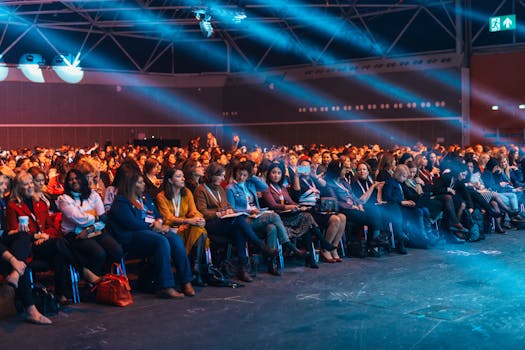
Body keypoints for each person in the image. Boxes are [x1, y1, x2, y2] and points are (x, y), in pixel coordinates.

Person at [108, 167, 195, 298]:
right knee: (161, 240)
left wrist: (159, 221)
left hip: (151, 232)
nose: (144, 184)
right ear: (131, 185)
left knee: (175, 239)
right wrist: (155, 227)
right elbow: (132, 223)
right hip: (131, 238)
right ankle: (166, 286)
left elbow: (157, 214)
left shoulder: (146, 198)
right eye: (140, 182)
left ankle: (186, 281)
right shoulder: (121, 201)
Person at [194, 162, 278, 282]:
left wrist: (228, 210)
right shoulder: (201, 190)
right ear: (212, 175)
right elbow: (202, 211)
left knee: (239, 230)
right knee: (239, 220)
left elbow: (228, 205)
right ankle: (260, 246)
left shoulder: (220, 189)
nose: (224, 178)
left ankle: (243, 268)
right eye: (221, 176)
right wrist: (219, 213)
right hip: (210, 223)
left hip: (223, 221)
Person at [6, 171, 78, 303]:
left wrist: (46, 236)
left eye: (30, 183)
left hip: (46, 243)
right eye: (25, 184)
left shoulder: (40, 203)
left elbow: (50, 226)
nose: (30, 186)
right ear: (18, 188)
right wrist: (36, 237)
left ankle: (60, 295)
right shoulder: (13, 206)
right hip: (29, 248)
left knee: (60, 254)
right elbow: (14, 234)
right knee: (59, 244)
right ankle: (81, 266)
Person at [226, 161, 305, 275]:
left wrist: (252, 176)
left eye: (244, 175)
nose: (241, 177)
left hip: (256, 216)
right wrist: (248, 210)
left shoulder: (250, 184)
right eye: (239, 174)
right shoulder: (230, 188)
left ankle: (271, 263)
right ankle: (289, 245)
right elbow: (232, 209)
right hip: (243, 219)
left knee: (271, 228)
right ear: (235, 174)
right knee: (274, 216)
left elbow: (263, 186)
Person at [56, 169, 123, 279]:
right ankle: (93, 283)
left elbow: (103, 219)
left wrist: (90, 228)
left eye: (76, 178)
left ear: (82, 179)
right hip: (75, 234)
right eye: (70, 180)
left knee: (117, 250)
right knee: (98, 253)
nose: (74, 181)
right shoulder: (64, 199)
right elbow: (79, 219)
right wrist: (96, 217)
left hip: (94, 231)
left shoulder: (93, 195)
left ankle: (107, 280)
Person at [156, 167, 209, 285]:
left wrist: (199, 219)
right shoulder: (161, 196)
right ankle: (194, 271)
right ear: (170, 180)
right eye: (179, 176)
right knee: (197, 229)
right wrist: (187, 221)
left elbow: (193, 211)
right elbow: (168, 218)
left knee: (199, 229)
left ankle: (195, 267)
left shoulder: (187, 193)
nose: (183, 178)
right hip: (171, 230)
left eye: (183, 176)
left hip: (185, 228)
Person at [261, 162, 319, 268]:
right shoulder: (266, 188)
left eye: (279, 173)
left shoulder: (282, 188)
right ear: (269, 174)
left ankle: (310, 258)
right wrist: (289, 207)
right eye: (273, 172)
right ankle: (319, 245)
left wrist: (298, 206)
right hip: (278, 218)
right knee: (306, 219)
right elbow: (273, 205)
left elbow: (291, 201)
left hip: (288, 216)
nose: (276, 175)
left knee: (306, 218)